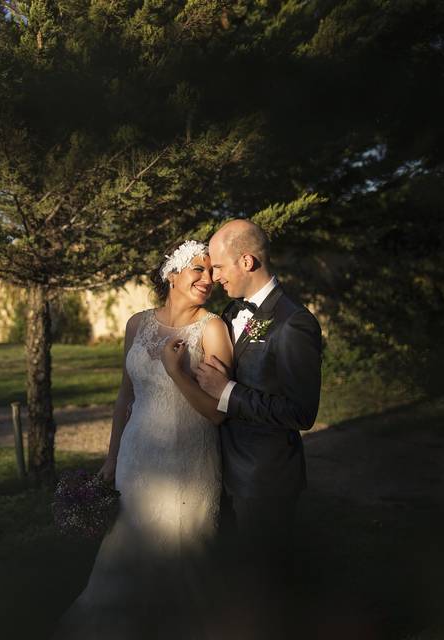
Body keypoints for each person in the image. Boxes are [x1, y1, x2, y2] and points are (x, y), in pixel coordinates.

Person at [52, 240, 234, 639]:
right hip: (136, 461)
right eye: (197, 271)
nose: (207, 280)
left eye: (209, 272)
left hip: (188, 466)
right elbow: (125, 395)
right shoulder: (138, 324)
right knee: (124, 559)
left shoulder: (214, 329)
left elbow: (217, 413)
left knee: (183, 562)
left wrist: (176, 371)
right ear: (172, 274)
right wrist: (111, 459)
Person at [195, 219, 322, 638]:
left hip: (264, 481)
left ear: (246, 261)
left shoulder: (293, 323)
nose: (213, 277)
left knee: (267, 588)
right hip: (223, 472)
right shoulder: (231, 313)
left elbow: (300, 412)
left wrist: (227, 391)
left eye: (217, 267)